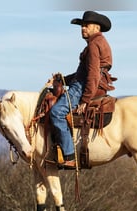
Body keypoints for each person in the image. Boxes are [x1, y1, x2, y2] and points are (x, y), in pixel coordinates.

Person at [46, 11, 114, 169]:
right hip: (83, 83)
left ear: (96, 27)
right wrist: (60, 80)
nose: (83, 28)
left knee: (57, 112)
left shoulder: (93, 46)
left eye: (86, 25)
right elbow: (82, 74)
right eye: (82, 25)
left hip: (82, 87)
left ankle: (69, 155)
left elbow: (92, 75)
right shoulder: (99, 43)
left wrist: (85, 100)